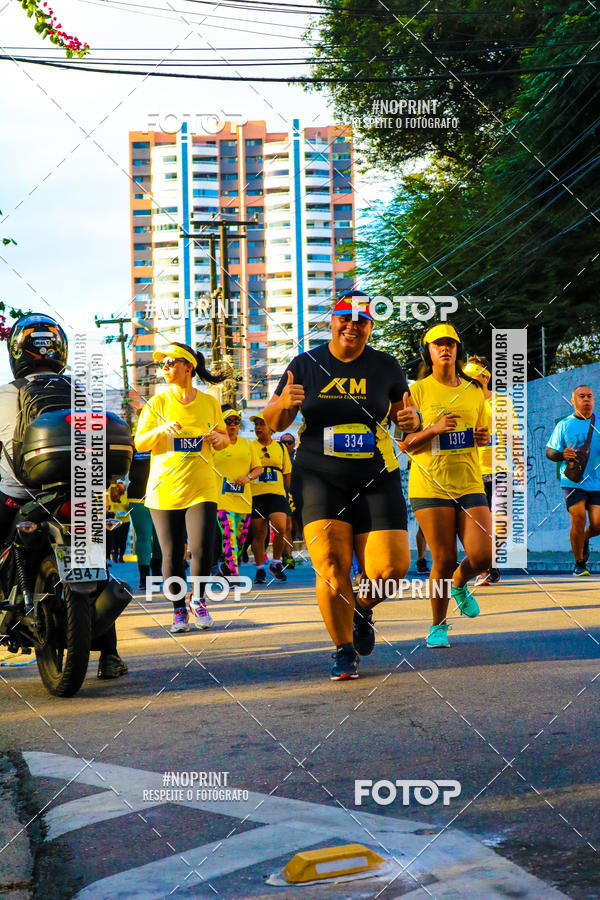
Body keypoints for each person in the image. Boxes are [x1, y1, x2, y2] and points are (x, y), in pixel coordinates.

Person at [262, 290, 421, 680]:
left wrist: (412, 420)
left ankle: (361, 607)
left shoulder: (386, 366)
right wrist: (285, 405)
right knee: (331, 564)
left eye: (362, 320)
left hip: (375, 476)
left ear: (370, 327)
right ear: (332, 321)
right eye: (345, 317)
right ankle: (343, 648)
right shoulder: (306, 363)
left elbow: (409, 414)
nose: (352, 325)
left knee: (391, 569)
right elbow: (273, 422)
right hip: (319, 476)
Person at [0, 313, 128, 679]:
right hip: (76, 494)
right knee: (95, 561)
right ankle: (111, 656)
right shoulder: (81, 392)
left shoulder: (5, 393)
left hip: (16, 495)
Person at [402, 323, 491, 649]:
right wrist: (434, 429)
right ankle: (438, 625)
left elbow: (480, 433)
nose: (445, 349)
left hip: (468, 481)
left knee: (483, 556)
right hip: (430, 485)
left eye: (450, 344)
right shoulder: (418, 391)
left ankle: (459, 583)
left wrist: (482, 438)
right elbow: (406, 444)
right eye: (438, 344)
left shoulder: (473, 390)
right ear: (428, 350)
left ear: (457, 349)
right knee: (443, 558)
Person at [134, 342, 229, 633]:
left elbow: (226, 438)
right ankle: (178, 611)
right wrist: (160, 430)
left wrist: (218, 440)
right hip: (165, 490)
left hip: (201, 487)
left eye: (170, 362)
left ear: (188, 366)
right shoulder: (157, 404)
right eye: (162, 364)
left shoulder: (210, 402)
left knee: (202, 550)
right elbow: (139, 443)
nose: (164, 368)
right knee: (171, 554)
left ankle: (198, 600)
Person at [463, 355, 524, 586]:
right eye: (466, 379)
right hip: (471, 473)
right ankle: (486, 567)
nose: (469, 383)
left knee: (502, 521)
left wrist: (518, 464)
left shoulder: (503, 403)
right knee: (478, 527)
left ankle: (490, 561)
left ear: (485, 378)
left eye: (473, 379)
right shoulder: (462, 403)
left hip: (500, 471)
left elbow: (513, 436)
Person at [546, 385, 600, 576]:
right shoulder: (564, 425)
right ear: (573, 400)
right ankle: (579, 564)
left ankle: (584, 538)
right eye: (581, 396)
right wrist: (563, 454)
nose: (586, 399)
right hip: (572, 481)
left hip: (597, 482)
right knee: (578, 517)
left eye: (590, 396)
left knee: (597, 524)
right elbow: (550, 451)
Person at [213, 408, 263, 578]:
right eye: (229, 421)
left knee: (241, 539)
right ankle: (234, 574)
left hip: (243, 498)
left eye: (236, 421)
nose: (233, 425)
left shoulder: (247, 444)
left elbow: (258, 468)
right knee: (229, 535)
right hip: (222, 498)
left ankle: (227, 568)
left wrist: (248, 477)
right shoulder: (215, 444)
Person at [249, 415, 292, 584]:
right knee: (259, 533)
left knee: (281, 527)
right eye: (256, 425)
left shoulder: (280, 448)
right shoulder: (250, 446)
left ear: (271, 428)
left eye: (262, 424)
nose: (258, 428)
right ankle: (260, 569)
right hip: (256, 494)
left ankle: (276, 562)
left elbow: (287, 472)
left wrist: (293, 493)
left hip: (277, 494)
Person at [127, 437, 163, 591]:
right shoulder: (132, 442)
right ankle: (144, 576)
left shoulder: (162, 438)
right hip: (137, 495)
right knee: (143, 536)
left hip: (162, 495)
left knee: (161, 537)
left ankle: (157, 570)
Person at [280, 432, 298, 569]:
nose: (287, 445)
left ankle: (285, 552)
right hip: (282, 495)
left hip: (297, 495)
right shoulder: (278, 456)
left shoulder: (298, 456)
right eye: (284, 442)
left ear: (294, 444)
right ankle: (287, 556)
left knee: (294, 529)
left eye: (289, 442)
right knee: (287, 526)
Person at [107, 480, 130, 563]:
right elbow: (110, 504)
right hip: (115, 520)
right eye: (118, 486)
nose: (120, 488)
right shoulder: (111, 494)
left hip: (125, 521)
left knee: (123, 539)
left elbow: (128, 506)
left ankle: (121, 556)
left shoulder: (126, 495)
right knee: (115, 539)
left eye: (122, 486)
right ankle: (115, 555)